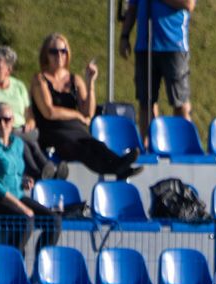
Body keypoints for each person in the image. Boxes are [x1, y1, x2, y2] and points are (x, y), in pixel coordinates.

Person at [32, 33, 142, 180]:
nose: (59, 55)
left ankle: (120, 166)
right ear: (46, 55)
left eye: (63, 51)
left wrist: (90, 84)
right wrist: (76, 115)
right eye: (54, 52)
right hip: (53, 131)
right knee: (81, 148)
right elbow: (49, 112)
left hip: (75, 129)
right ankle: (118, 168)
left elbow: (88, 114)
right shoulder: (40, 79)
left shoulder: (74, 79)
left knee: (95, 145)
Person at [0, 101, 61, 253]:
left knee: (54, 221)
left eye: (6, 119)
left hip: (14, 195)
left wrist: (23, 181)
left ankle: (41, 266)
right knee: (25, 220)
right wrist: (21, 206)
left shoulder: (18, 143)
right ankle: (13, 266)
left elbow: (16, 173)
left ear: (13, 121)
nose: (2, 124)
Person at [0, 46, 66, 183]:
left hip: (23, 130)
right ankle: (46, 170)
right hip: (1, 129)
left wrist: (30, 123)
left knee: (28, 138)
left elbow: (29, 114)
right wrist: (2, 129)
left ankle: (43, 171)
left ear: (8, 70)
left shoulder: (19, 86)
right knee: (22, 142)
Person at [119, 0, 196, 146]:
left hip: (174, 45)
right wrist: (125, 35)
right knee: (146, 101)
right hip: (144, 45)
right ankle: (149, 147)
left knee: (179, 101)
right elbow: (133, 6)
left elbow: (188, 4)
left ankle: (184, 147)